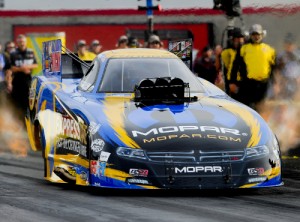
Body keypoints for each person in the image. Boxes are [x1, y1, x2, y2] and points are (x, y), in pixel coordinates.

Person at [230, 24, 276, 110]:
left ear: (262, 35)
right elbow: (235, 66)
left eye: (258, 34)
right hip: (248, 84)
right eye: (254, 34)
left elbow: (273, 68)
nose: (256, 37)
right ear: (250, 35)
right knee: (248, 108)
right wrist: (233, 82)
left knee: (261, 107)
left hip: (263, 84)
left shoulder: (270, 50)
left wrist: (275, 83)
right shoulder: (244, 49)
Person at [9, 34, 38, 119]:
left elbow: (35, 65)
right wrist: (23, 69)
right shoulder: (13, 53)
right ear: (17, 43)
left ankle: (31, 120)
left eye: (23, 41)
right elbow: (11, 68)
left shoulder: (31, 52)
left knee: (30, 101)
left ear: (26, 42)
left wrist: (27, 67)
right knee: (17, 103)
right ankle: (19, 121)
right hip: (17, 81)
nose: (22, 43)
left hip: (28, 81)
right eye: (20, 42)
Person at [220, 27, 245, 99]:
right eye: (237, 38)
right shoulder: (227, 52)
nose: (239, 40)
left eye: (241, 38)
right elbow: (227, 67)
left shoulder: (246, 50)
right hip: (234, 81)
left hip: (244, 81)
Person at [274, 33, 300, 99]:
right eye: (287, 43)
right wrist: (277, 84)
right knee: (283, 100)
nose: (289, 46)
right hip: (284, 81)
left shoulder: (298, 56)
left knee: (296, 100)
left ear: (294, 45)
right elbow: (277, 71)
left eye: (291, 44)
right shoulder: (281, 56)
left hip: (296, 81)